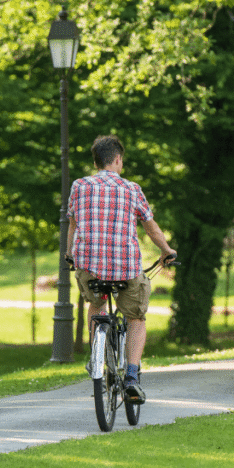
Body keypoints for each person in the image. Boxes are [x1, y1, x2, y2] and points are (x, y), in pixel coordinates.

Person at [67, 134, 177, 404]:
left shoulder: (78, 186)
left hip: (89, 267)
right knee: (136, 317)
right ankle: (131, 375)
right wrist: (167, 251)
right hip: (125, 268)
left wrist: (70, 254)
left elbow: (72, 224)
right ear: (117, 160)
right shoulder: (131, 188)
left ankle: (97, 356)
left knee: (96, 305)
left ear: (96, 161)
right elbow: (150, 227)